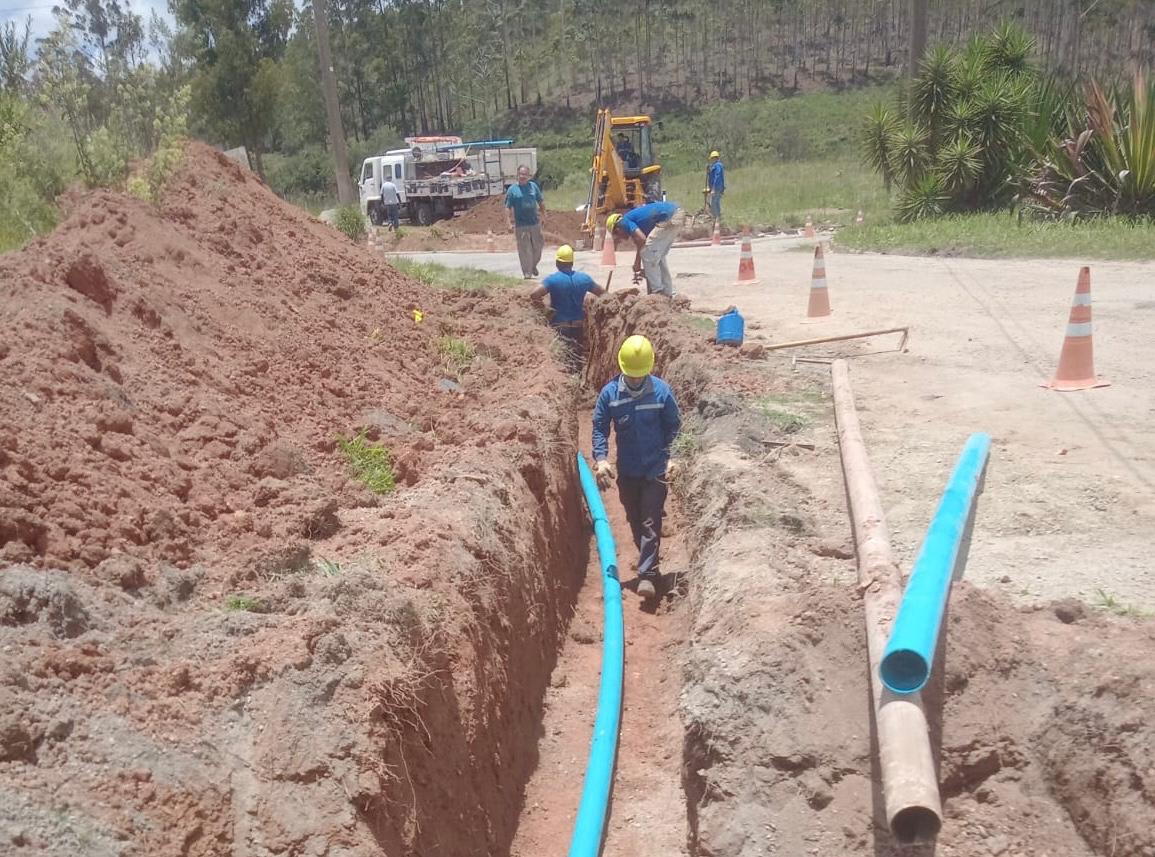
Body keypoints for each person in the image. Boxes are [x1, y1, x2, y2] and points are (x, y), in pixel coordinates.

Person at [592, 335, 681, 601]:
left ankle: (648, 575)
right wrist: (601, 459)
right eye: (630, 376)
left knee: (651, 520)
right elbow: (598, 427)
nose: (634, 380)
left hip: (655, 469)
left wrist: (674, 457)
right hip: (628, 470)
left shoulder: (662, 392)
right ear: (622, 369)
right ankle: (648, 563)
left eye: (639, 376)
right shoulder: (610, 394)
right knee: (634, 518)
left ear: (649, 369)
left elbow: (674, 427)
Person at [530, 245, 606, 372]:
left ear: (557, 263)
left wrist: (544, 309)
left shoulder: (553, 280)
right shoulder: (584, 279)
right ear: (572, 262)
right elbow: (603, 293)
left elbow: (534, 294)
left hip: (560, 326)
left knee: (562, 360)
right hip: (578, 326)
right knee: (577, 361)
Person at [606, 200, 682, 297]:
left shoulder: (624, 222)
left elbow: (642, 240)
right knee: (658, 257)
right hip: (677, 214)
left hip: (669, 217)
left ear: (617, 229)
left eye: (617, 236)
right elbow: (643, 242)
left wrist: (637, 262)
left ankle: (657, 292)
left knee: (647, 254)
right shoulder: (639, 223)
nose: (621, 239)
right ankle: (668, 292)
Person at [505, 165, 546, 279]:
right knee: (524, 250)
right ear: (517, 175)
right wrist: (509, 223)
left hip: (534, 223)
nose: (522, 176)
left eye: (525, 174)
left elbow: (541, 201)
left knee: (538, 247)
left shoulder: (533, 187)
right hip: (521, 225)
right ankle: (527, 272)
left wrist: (544, 216)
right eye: (521, 174)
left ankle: (533, 266)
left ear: (529, 176)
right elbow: (507, 207)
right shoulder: (512, 190)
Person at [707, 150, 725, 223]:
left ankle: (717, 219)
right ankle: (717, 219)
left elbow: (717, 177)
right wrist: (709, 172)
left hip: (717, 187)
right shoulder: (715, 166)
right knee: (715, 203)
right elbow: (712, 176)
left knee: (714, 203)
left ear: (714, 158)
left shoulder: (718, 165)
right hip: (715, 187)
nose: (711, 160)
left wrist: (713, 188)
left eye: (712, 159)